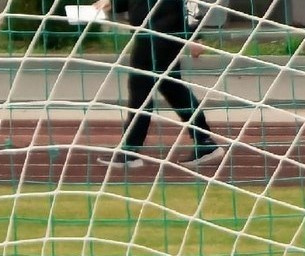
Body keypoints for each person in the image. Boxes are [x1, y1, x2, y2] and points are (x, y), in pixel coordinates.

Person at [95, 0, 222, 171]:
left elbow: (190, 3)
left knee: (141, 87)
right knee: (171, 87)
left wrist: (194, 35)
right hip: (147, 32)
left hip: (163, 32)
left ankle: (130, 151)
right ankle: (204, 141)